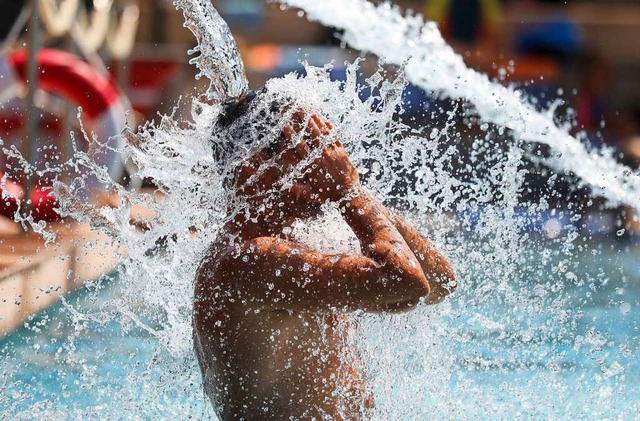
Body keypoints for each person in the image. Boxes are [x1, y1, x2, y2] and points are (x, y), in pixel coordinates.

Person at [193, 93, 457, 420]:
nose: (323, 160)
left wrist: (351, 191)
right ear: (254, 168)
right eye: (307, 150)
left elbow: (440, 283)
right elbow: (406, 282)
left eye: (323, 147)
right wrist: (349, 192)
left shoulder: (307, 238)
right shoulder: (246, 259)